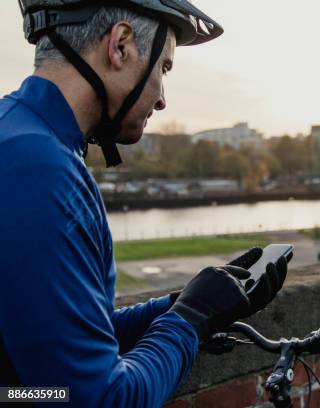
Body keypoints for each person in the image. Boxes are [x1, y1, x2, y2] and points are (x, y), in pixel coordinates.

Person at [0, 1, 289, 406]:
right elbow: (101, 399)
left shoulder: (15, 136)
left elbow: (63, 342)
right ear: (120, 45)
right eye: (165, 68)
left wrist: (185, 302)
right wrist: (189, 321)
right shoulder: (41, 169)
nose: (162, 99)